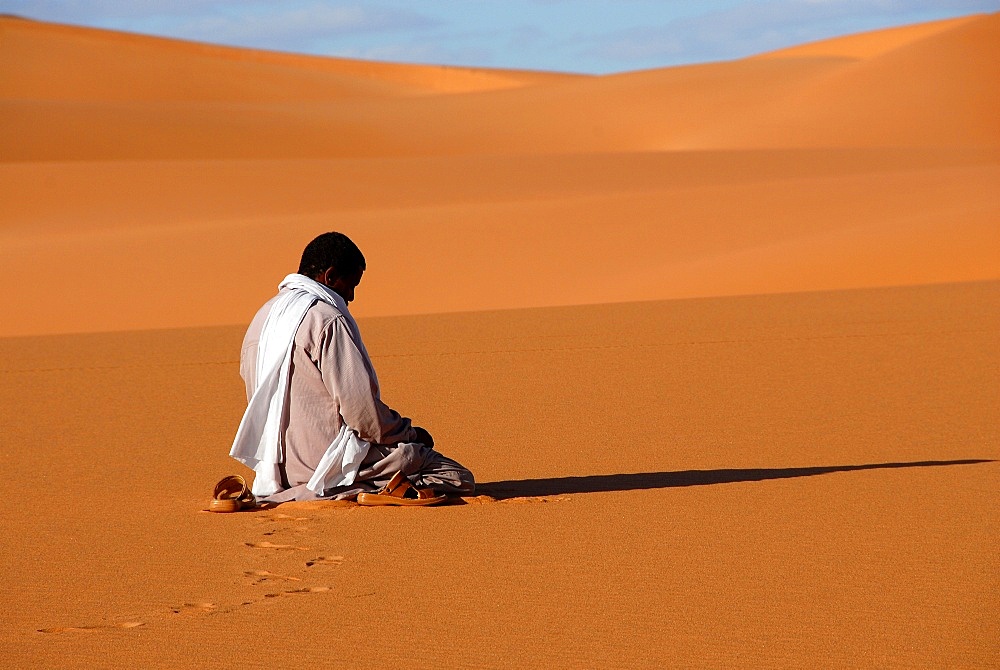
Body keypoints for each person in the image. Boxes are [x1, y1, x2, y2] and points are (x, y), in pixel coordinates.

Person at [229, 231, 475, 504]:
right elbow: (364, 415)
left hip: (275, 470)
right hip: (330, 464)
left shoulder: (262, 319)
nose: (352, 296)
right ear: (330, 277)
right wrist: (410, 434)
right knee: (457, 477)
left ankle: (300, 492)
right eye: (351, 285)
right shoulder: (327, 318)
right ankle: (367, 491)